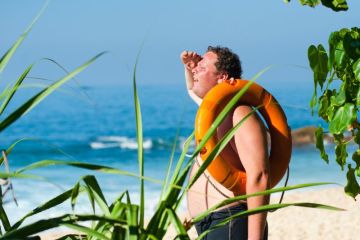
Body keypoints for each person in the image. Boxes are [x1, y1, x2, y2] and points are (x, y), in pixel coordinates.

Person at [181, 46, 269, 240]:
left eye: (202, 68)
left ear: (222, 77)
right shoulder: (212, 113)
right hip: (207, 222)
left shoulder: (240, 114)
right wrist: (191, 67)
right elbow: (191, 89)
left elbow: (260, 177)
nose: (195, 71)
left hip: (231, 218)